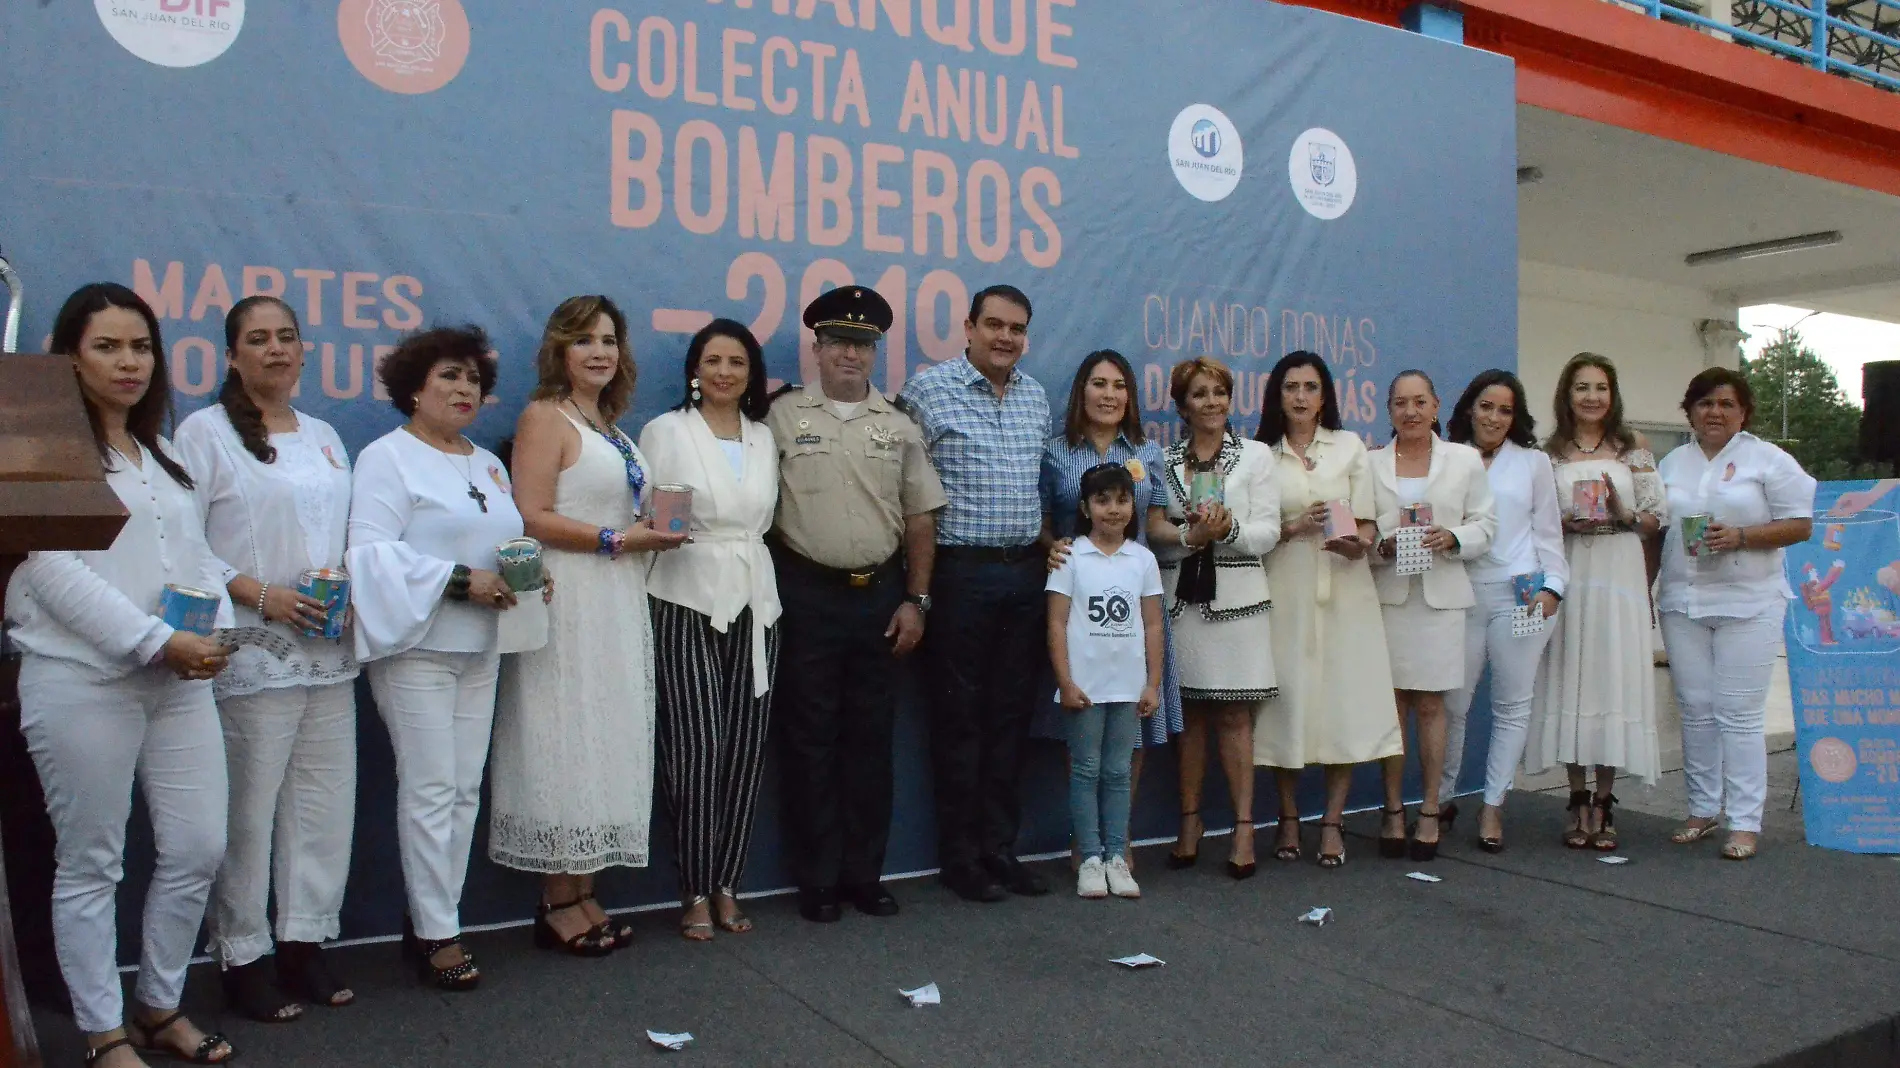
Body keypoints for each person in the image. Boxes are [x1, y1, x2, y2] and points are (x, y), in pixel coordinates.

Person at [9, 283, 238, 1066]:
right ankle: (104, 1035)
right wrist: (153, 641)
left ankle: (159, 1005)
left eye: (140, 346)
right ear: (69, 358)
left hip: (178, 686)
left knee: (199, 846)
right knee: (92, 864)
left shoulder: (160, 454)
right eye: (107, 346)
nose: (128, 361)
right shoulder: (38, 450)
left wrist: (217, 634)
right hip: (80, 684)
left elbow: (199, 557)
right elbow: (48, 571)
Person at [176, 296, 358, 1021]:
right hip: (253, 652)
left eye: (287, 337)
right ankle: (242, 956)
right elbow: (183, 547)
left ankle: (304, 943)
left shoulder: (324, 435)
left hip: (330, 651)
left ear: (304, 351)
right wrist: (263, 596)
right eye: (259, 339)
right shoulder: (204, 433)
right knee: (248, 813)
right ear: (231, 355)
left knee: (323, 807)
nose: (276, 350)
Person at [489, 296, 685, 954]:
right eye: (584, 341)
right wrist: (614, 540)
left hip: (616, 599)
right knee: (564, 735)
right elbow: (531, 513)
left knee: (606, 735)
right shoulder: (545, 417)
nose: (600, 351)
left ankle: (585, 888)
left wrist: (650, 533)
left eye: (609, 339)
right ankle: (555, 902)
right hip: (568, 598)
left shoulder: (612, 427)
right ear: (559, 352)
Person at [347, 325, 534, 990]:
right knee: (428, 791)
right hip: (416, 649)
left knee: (461, 792)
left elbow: (504, 542)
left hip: (481, 647)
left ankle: (434, 919)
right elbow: (368, 553)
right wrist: (459, 580)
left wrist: (524, 578)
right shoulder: (386, 458)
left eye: (473, 381)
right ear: (414, 388)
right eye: (449, 377)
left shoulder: (487, 462)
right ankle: (436, 934)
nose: (463, 390)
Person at [766, 287, 945, 924]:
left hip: (880, 600)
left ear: (877, 354)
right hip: (806, 596)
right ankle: (816, 880)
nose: (850, 352)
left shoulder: (898, 425)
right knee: (810, 742)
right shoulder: (781, 417)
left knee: (870, 745)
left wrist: (917, 599)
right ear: (816, 348)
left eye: (863, 343)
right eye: (839, 341)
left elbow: (920, 517)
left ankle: (863, 876)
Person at [897, 284, 1052, 903]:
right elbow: (906, 498)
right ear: (967, 327)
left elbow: (1036, 492)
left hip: (1023, 577)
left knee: (1011, 720)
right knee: (959, 722)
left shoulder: (1036, 398)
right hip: (958, 577)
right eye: (994, 324)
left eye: (1017, 328)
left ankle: (1000, 850)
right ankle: (960, 858)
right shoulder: (926, 394)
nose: (1005, 337)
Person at [639, 319, 781, 940]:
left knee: (745, 750)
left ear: (752, 375)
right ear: (694, 370)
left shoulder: (763, 437)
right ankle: (693, 887)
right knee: (696, 749)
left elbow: (766, 519)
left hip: (757, 600)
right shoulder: (666, 431)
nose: (725, 372)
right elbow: (649, 513)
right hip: (685, 592)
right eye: (713, 360)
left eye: (738, 363)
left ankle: (728, 882)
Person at [1656, 368, 1814, 860]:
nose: (1715, 413)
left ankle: (1745, 821)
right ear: (1690, 411)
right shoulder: (1672, 463)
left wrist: (1743, 536)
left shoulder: (1769, 460)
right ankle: (1703, 809)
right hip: (1684, 601)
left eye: (1726, 404)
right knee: (1696, 712)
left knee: (1739, 716)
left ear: (1743, 411)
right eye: (1705, 404)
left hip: (1750, 603)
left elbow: (1801, 525)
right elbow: (1655, 528)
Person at [1252, 351, 1401, 869]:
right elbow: (1254, 531)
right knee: (1286, 704)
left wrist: (1359, 544)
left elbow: (1368, 521)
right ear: (1276, 395)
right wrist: (1294, 527)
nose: (1300, 396)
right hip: (1285, 586)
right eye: (1290, 386)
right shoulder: (1259, 455)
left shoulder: (1350, 448)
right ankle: (1289, 818)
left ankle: (1332, 821)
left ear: (1325, 395)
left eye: (1310, 387)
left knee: (1342, 704)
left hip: (1344, 588)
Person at [1037, 351, 1182, 870]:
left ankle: (1116, 845)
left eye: (1119, 385)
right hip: (1076, 605)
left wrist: (1195, 534)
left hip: (1134, 602)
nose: (1109, 394)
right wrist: (1051, 545)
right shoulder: (1054, 452)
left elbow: (1159, 526)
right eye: (1098, 384)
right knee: (1083, 727)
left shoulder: (1148, 453)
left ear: (1130, 395)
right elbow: (1039, 521)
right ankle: (1086, 846)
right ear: (1082, 392)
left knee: (1131, 729)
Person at [1526, 352, 1664, 851]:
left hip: (1619, 568)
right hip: (1571, 571)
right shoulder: (1549, 453)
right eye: (1582, 387)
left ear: (1613, 394)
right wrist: (1564, 522)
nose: (1591, 397)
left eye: (1600, 388)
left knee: (1611, 676)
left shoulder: (1635, 448)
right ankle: (1576, 795)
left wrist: (1622, 512)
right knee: (1570, 673)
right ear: (1567, 394)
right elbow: (1536, 521)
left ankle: (1605, 799)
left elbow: (1655, 518)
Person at [1153, 357, 1280, 879]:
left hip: (1238, 604)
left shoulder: (1255, 457)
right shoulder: (1160, 460)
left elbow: (1269, 531)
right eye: (1199, 394)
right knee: (1190, 719)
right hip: (1181, 602)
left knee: (1233, 717)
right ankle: (1190, 823)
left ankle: (1244, 827)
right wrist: (1189, 537)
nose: (1210, 402)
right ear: (1182, 406)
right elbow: (1151, 529)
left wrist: (1228, 531)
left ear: (1231, 399)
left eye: (1219, 393)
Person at [1438, 370, 1568, 853]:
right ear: (1470, 407)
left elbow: (1549, 535)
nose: (1494, 417)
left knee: (1512, 706)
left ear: (1516, 418)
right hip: (1459, 591)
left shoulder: (1533, 463)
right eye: (1486, 406)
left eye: (1505, 410)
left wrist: (1554, 588)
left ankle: (1493, 804)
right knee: (1452, 703)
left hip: (1522, 595)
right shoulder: (1446, 456)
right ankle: (1442, 797)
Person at [1368, 371, 1496, 862]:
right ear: (1389, 410)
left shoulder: (1463, 460)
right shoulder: (1372, 461)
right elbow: (1361, 527)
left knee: (1431, 707)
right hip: (1390, 596)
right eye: (1400, 403)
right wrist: (1382, 542)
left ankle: (1431, 808)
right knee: (1394, 707)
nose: (1411, 411)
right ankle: (1393, 809)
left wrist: (1455, 538)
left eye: (1420, 401)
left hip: (1441, 597)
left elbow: (1487, 523)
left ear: (1437, 406)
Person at [1047, 464, 1164, 900]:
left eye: (1122, 500)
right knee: (1085, 769)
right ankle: (1090, 858)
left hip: (1128, 687)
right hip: (1086, 689)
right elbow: (1056, 624)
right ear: (1085, 507)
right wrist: (1066, 680)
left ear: (1134, 505)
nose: (1113, 510)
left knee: (1117, 772)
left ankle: (1117, 856)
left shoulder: (1143, 559)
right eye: (1102, 500)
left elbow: (1152, 625)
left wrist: (1152, 683)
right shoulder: (1070, 556)